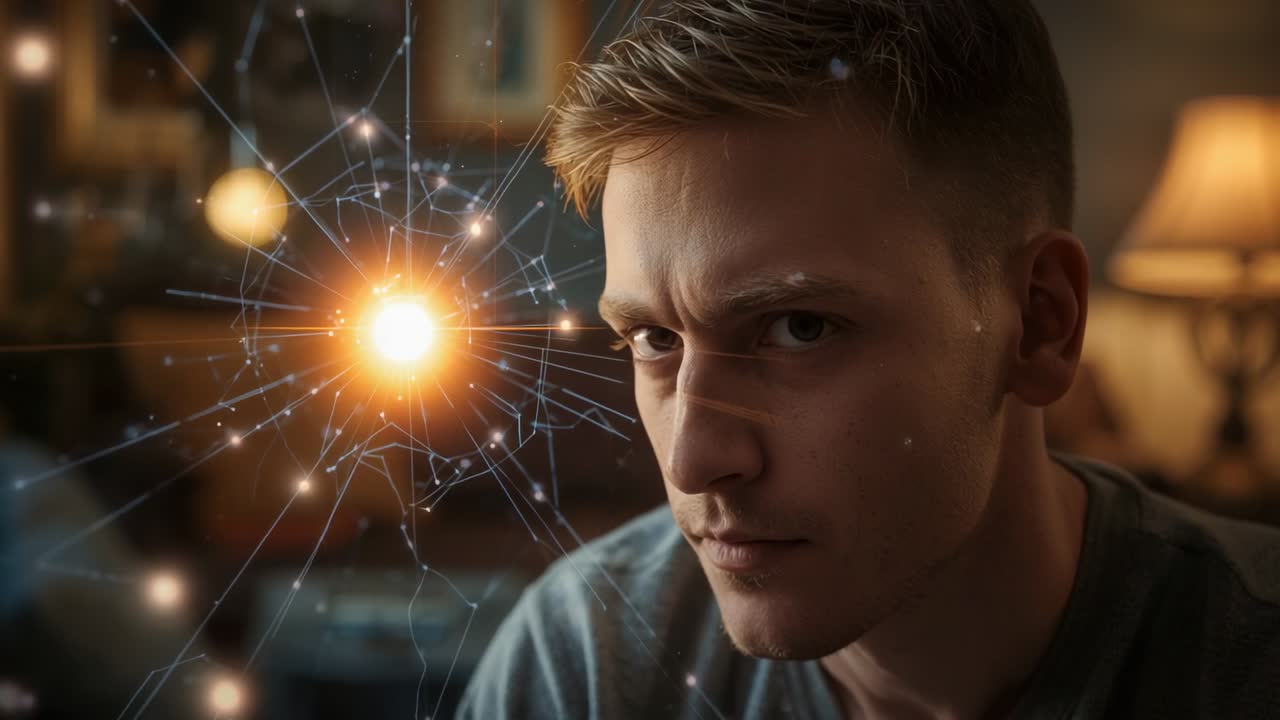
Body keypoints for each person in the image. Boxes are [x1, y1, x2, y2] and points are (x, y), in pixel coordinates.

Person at [456, 1, 1280, 717]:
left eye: (800, 328)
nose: (692, 457)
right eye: (654, 340)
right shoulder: (583, 667)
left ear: (1039, 322)